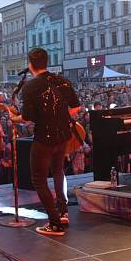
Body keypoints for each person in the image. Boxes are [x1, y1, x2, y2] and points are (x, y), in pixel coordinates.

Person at [11, 48, 81, 236]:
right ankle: (63, 211)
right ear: (46, 62)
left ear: (30, 64)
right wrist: (61, 117)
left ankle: (55, 223)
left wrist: (13, 117)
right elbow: (77, 106)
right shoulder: (61, 80)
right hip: (63, 136)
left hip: (44, 138)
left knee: (39, 180)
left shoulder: (30, 87)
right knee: (58, 171)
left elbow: (27, 117)